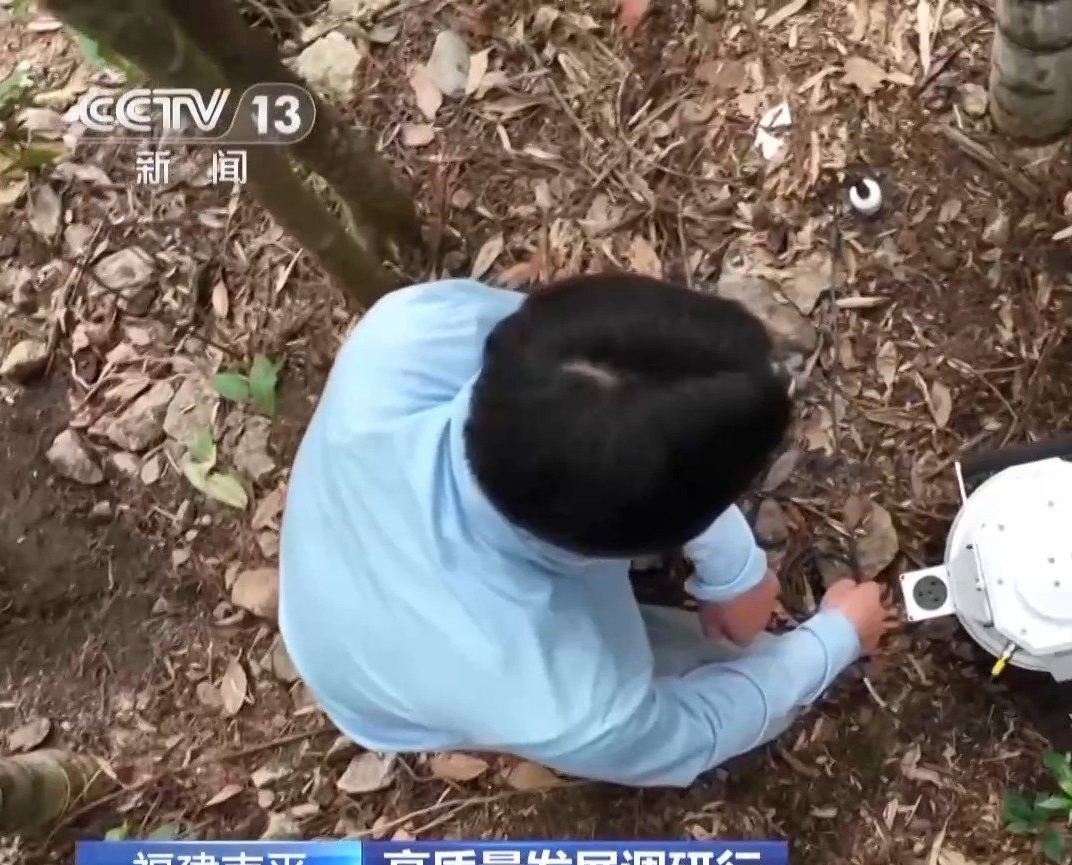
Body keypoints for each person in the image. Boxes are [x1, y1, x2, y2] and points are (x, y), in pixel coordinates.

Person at [277, 275, 890, 788]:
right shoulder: (562, 697)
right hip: (367, 675)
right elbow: (694, 730)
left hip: (348, 552)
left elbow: (624, 410)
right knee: (732, 664)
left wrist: (735, 570)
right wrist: (833, 641)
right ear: (647, 543)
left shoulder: (409, 332)